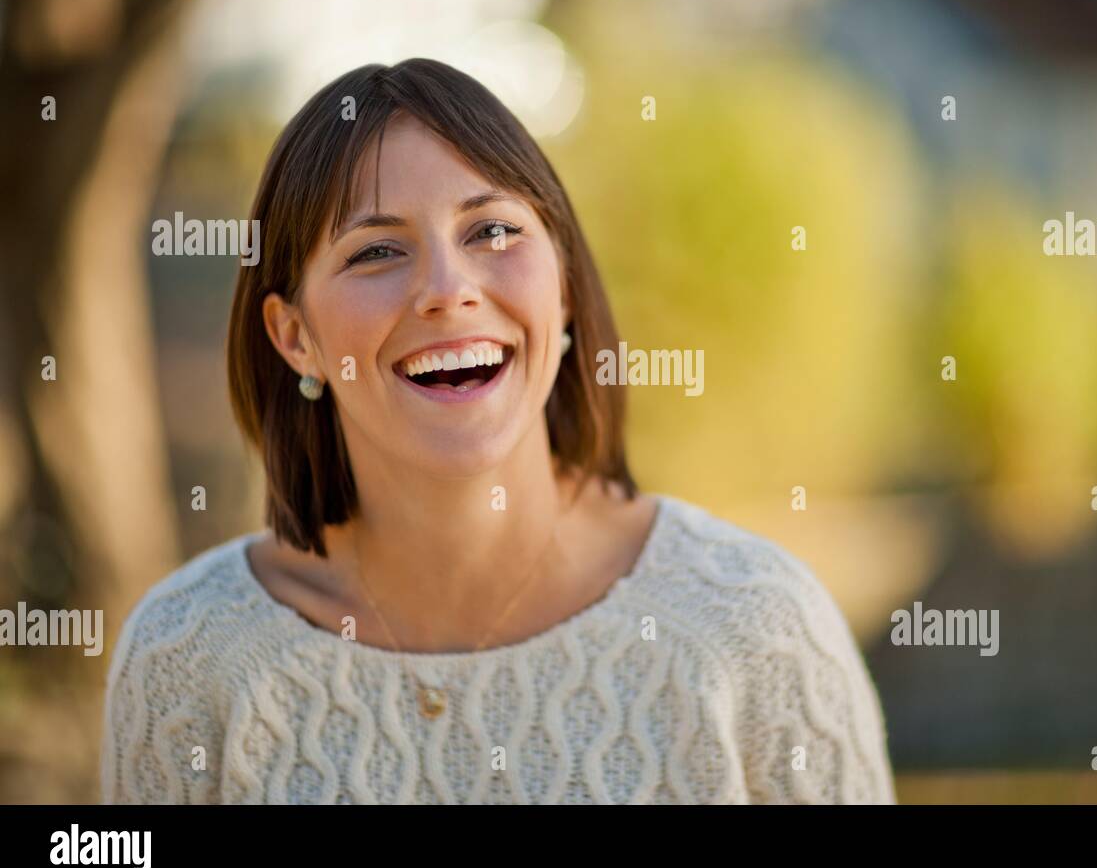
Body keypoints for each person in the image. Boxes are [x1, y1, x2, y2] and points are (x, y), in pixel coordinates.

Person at [100, 58, 896, 804]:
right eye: (377, 250)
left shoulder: (755, 631)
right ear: (293, 336)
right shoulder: (188, 656)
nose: (448, 289)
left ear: (565, 290)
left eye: (493, 232)